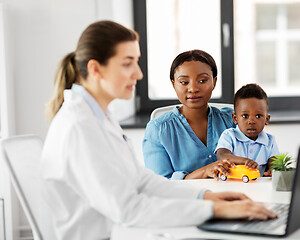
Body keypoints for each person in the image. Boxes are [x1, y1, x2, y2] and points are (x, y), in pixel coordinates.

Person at [41, 21, 276, 240]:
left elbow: (141, 180)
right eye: (127, 63)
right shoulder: (79, 127)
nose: (138, 73)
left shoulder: (99, 117)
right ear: (96, 69)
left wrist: (206, 196)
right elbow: (129, 209)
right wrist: (216, 209)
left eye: (137, 62)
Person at [143, 50, 237, 180]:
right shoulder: (157, 130)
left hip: (235, 197)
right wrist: (204, 172)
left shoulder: (232, 120)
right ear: (173, 84)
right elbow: (160, 185)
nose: (193, 88)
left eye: (203, 80)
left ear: (214, 82)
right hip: (186, 200)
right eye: (184, 82)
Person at [215, 83, 280, 177]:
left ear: (267, 119)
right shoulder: (229, 135)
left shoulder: (270, 141)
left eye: (258, 116)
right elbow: (222, 156)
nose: (251, 121)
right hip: (231, 185)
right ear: (235, 118)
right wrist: (244, 161)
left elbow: (275, 164)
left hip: (258, 187)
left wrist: (273, 171)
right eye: (245, 116)